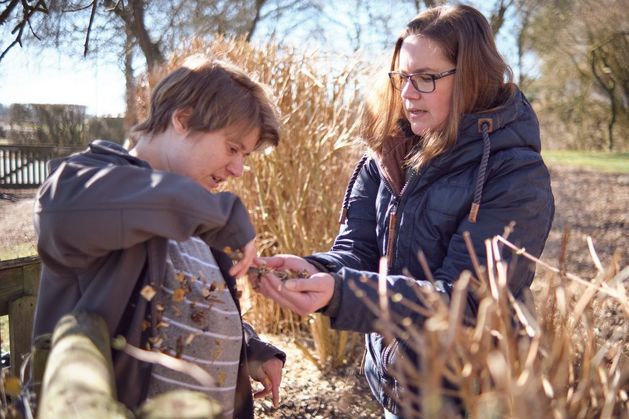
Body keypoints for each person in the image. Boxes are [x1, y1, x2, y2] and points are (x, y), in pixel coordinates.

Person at [250, 4, 554, 417]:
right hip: (397, 388)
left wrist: (341, 295)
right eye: (402, 77)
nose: (407, 93)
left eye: (426, 78)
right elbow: (357, 251)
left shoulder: (514, 172)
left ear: (471, 79)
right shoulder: (387, 152)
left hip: (475, 395)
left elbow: (466, 304)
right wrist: (311, 268)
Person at [32, 55, 285, 418]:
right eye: (232, 148)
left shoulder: (197, 217)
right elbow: (57, 213)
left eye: (245, 155)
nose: (239, 169)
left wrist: (252, 350)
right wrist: (218, 215)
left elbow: (190, 308)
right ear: (182, 120)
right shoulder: (91, 182)